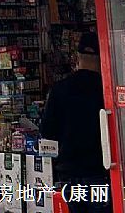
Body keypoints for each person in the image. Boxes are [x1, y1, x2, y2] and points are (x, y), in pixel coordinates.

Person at [40, 32, 108, 213]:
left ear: (77, 56)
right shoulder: (105, 89)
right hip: (99, 171)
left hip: (69, 173)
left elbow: (47, 131)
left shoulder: (59, 89)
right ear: (103, 56)